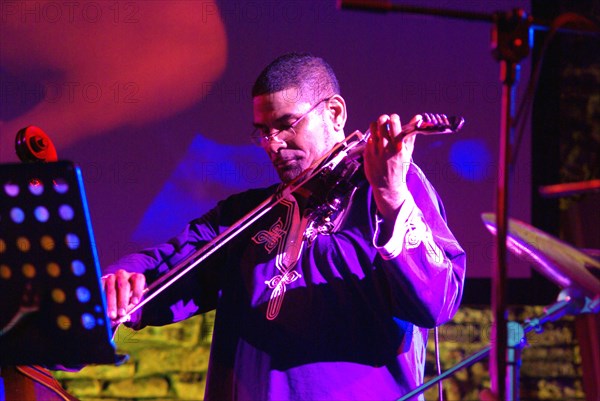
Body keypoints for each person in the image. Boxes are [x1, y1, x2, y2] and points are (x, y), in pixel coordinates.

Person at [102, 52, 466, 400]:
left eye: (285, 125)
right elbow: (167, 263)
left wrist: (391, 194)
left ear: (335, 113)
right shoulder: (247, 214)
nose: (272, 144)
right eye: (262, 131)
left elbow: (436, 303)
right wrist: (120, 282)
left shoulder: (387, 190)